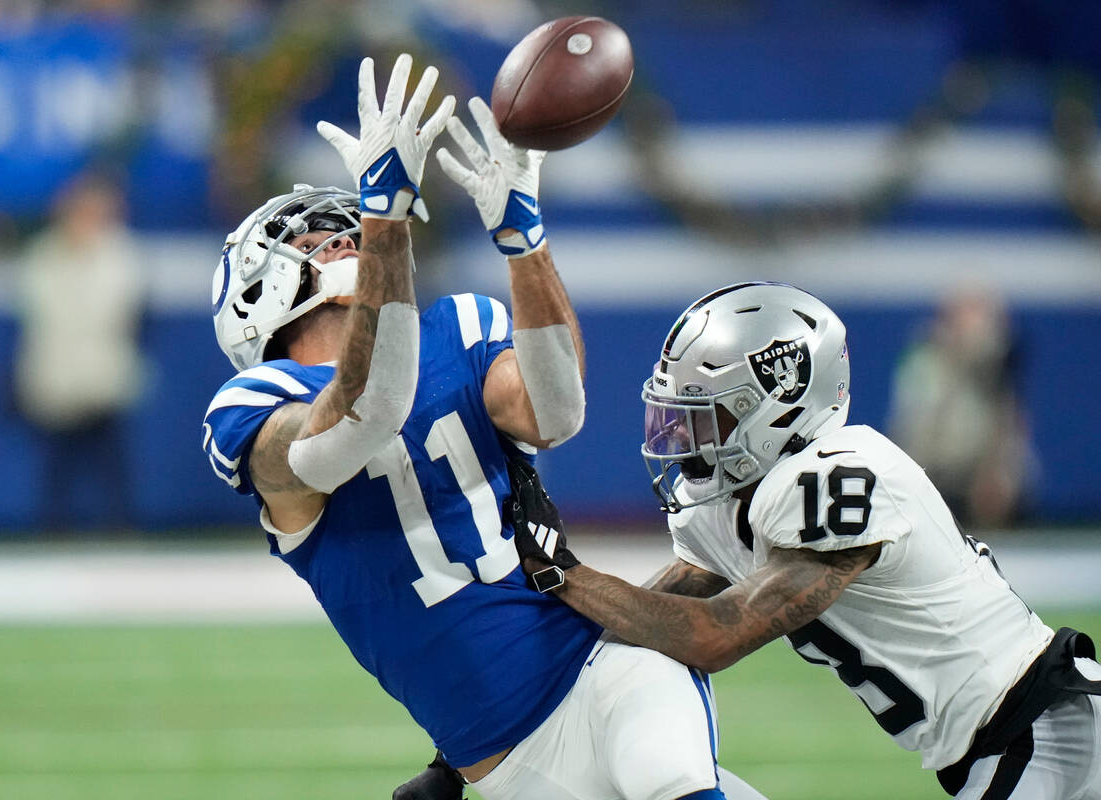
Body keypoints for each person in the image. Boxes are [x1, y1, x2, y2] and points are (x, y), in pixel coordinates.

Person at [202, 54, 765, 800]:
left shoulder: (459, 324)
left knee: (676, 784)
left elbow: (556, 411)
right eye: (315, 240)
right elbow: (366, 415)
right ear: (252, 290)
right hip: (509, 768)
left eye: (348, 231)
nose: (343, 242)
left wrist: (523, 240)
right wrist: (385, 223)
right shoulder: (251, 406)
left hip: (605, 663)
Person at [512, 281, 1101, 800]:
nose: (682, 438)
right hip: (1007, 749)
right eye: (675, 415)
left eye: (707, 416)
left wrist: (565, 571)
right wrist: (455, 758)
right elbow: (620, 636)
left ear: (778, 407)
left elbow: (713, 635)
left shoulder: (840, 474)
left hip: (1056, 733)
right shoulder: (725, 508)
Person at [13, 169, 147, 531]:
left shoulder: (119, 254)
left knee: (110, 459)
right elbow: (41, 316)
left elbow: (116, 311)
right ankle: (53, 527)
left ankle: (120, 526)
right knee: (57, 461)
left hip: (102, 374)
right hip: (56, 375)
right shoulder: (44, 254)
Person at [888, 286, 1035, 527]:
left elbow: (1011, 429)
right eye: (963, 311)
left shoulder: (1002, 362)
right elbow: (912, 430)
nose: (971, 322)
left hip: (986, 476)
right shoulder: (923, 359)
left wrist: (996, 474)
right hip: (935, 473)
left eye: (978, 312)